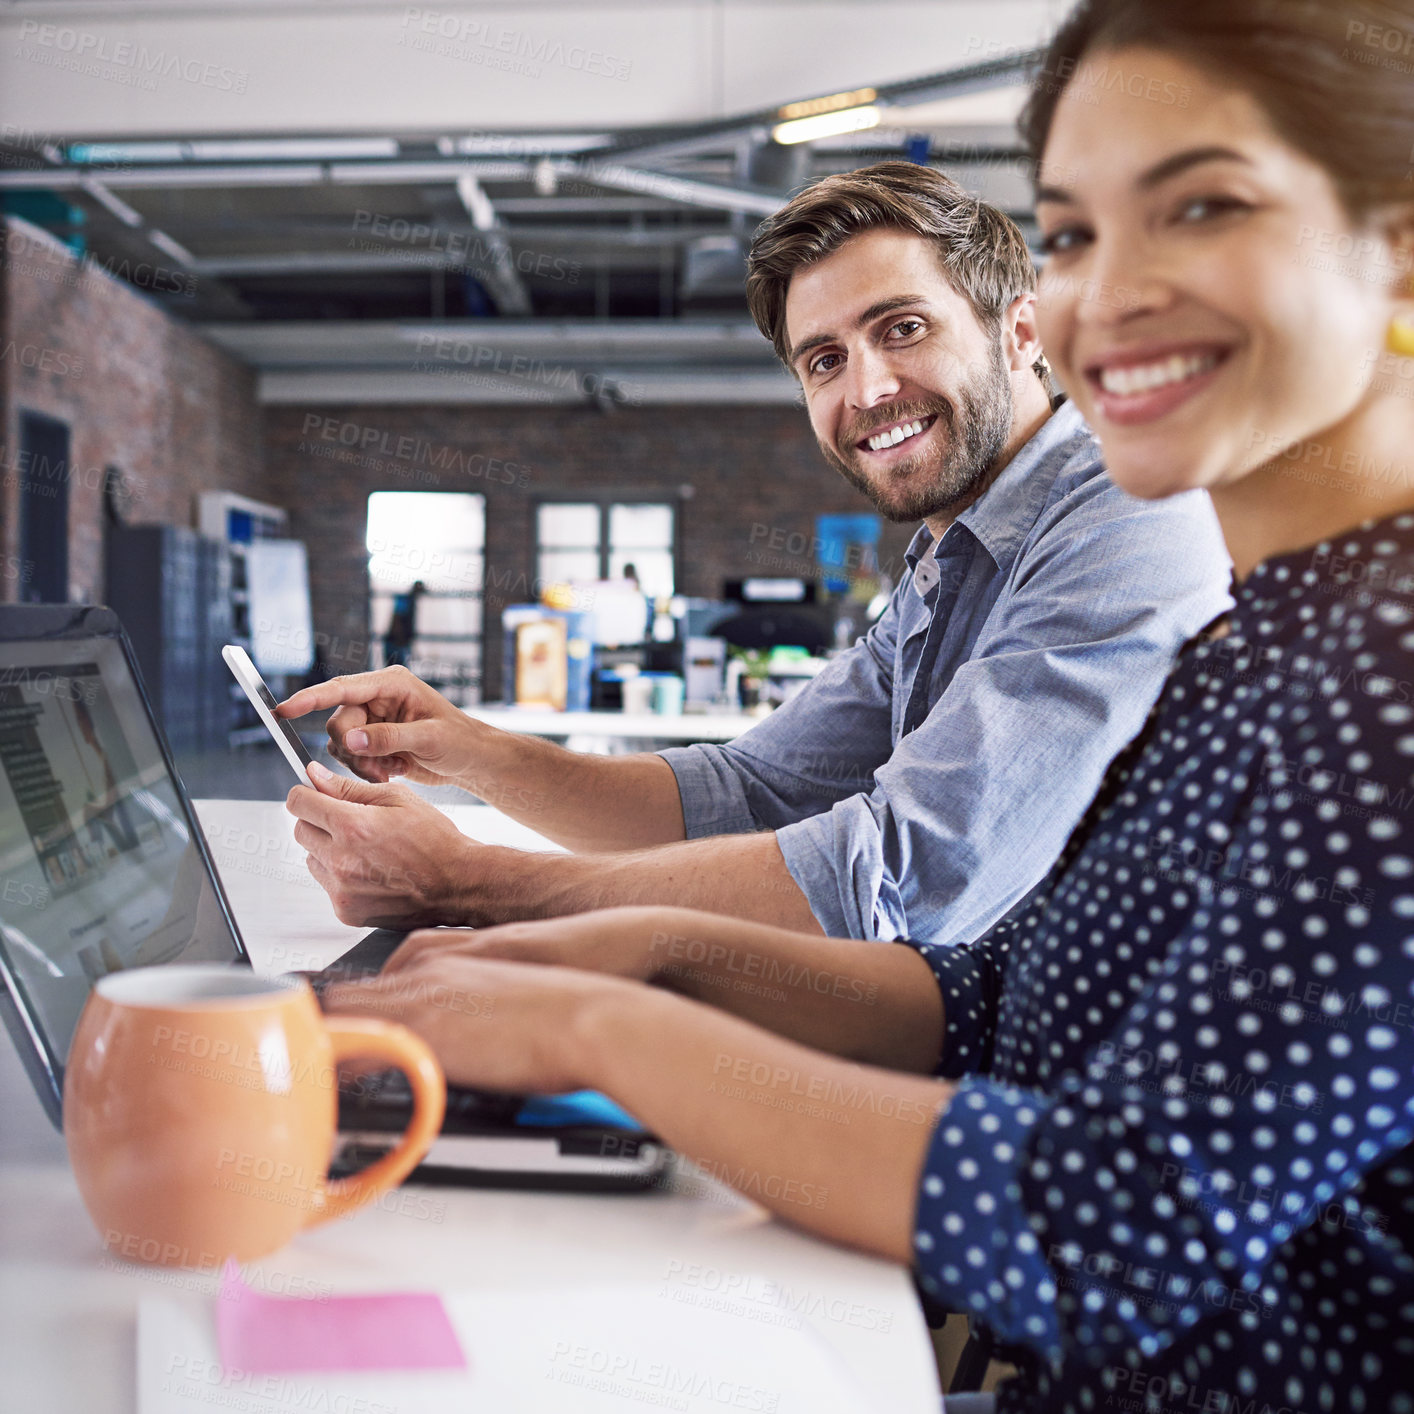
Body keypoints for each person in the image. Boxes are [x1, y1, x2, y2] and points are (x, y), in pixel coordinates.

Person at [321, 0, 1414, 1407]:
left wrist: (583, 1009)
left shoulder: (1375, 671)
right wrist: (625, 945)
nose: (1109, 294)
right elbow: (994, 992)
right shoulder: (1266, 631)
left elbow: (1109, 1229)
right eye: (1077, 230)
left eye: (1199, 205)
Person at [279, 165, 1229, 941]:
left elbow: (901, 879)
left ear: (1020, 332)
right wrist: (476, 753)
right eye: (823, 359)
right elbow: (747, 795)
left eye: (902, 328)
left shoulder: (1132, 509)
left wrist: (468, 884)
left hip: (1108, 1122)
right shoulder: (948, 559)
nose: (868, 389)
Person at [381, 580, 425, 669]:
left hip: (398, 643)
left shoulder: (410, 601)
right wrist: (400, 640)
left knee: (397, 670)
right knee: (396, 670)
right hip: (395, 643)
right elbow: (397, 619)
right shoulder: (405, 600)